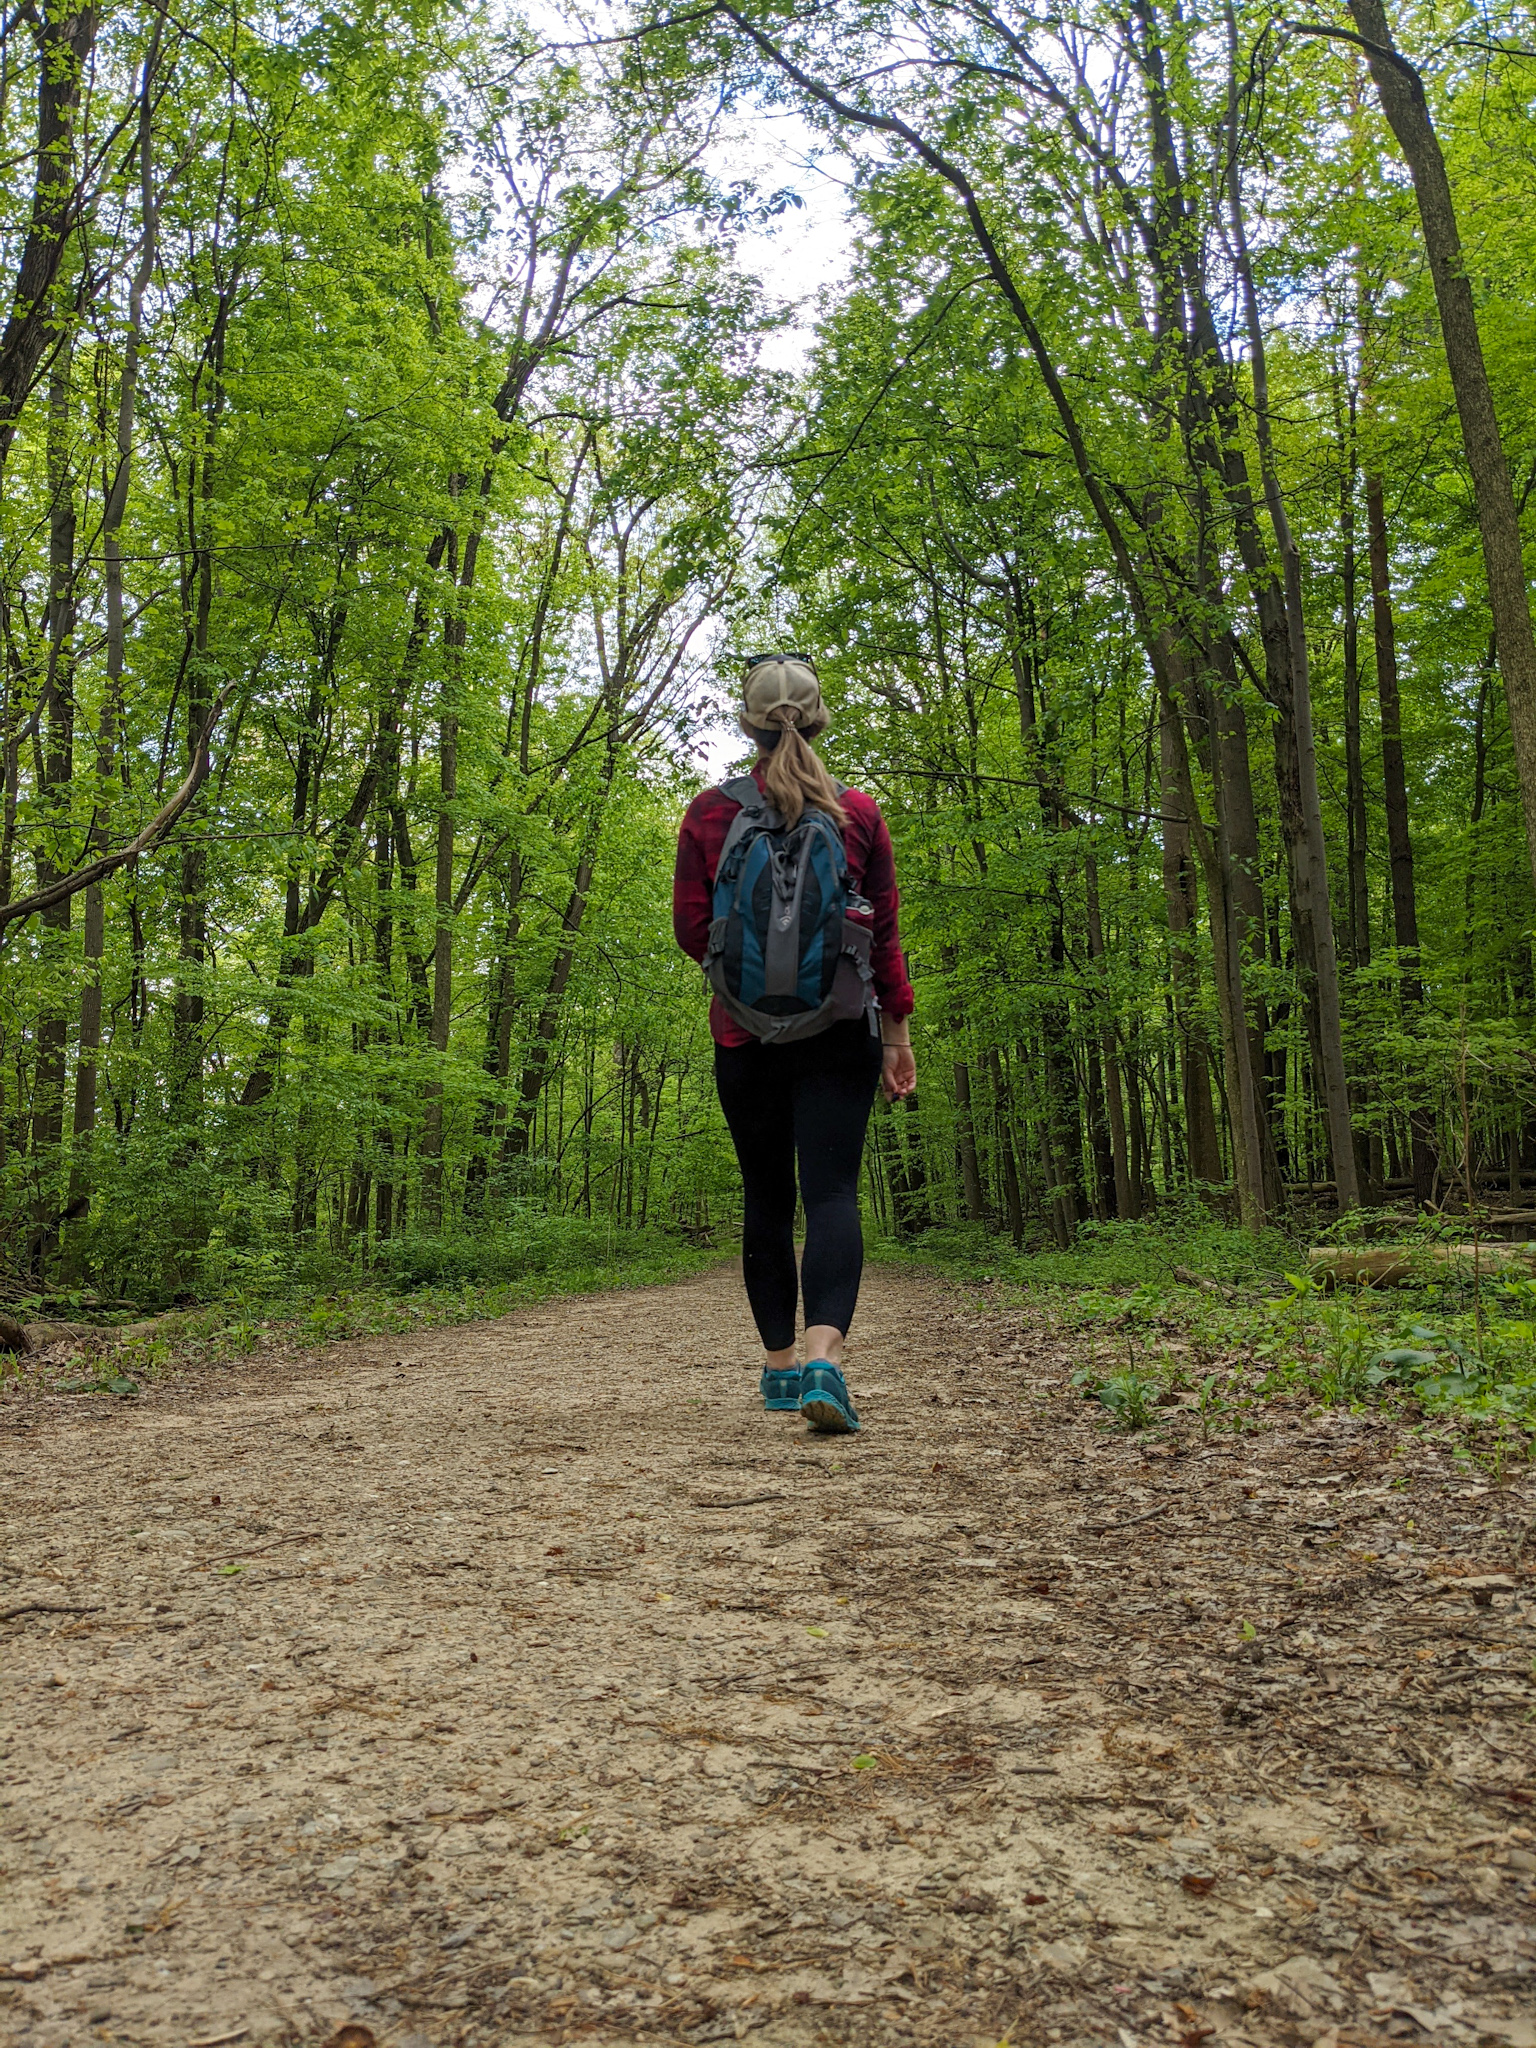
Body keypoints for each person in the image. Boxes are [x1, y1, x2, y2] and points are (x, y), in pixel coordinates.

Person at [672, 654, 916, 1434]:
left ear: (745, 725)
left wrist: (750, 982)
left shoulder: (710, 813)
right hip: (842, 1029)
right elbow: (882, 937)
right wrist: (897, 1033)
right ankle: (825, 1360)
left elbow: (689, 927)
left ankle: (779, 1370)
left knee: (767, 1198)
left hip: (744, 1035)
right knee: (833, 1195)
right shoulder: (858, 813)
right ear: (819, 720)